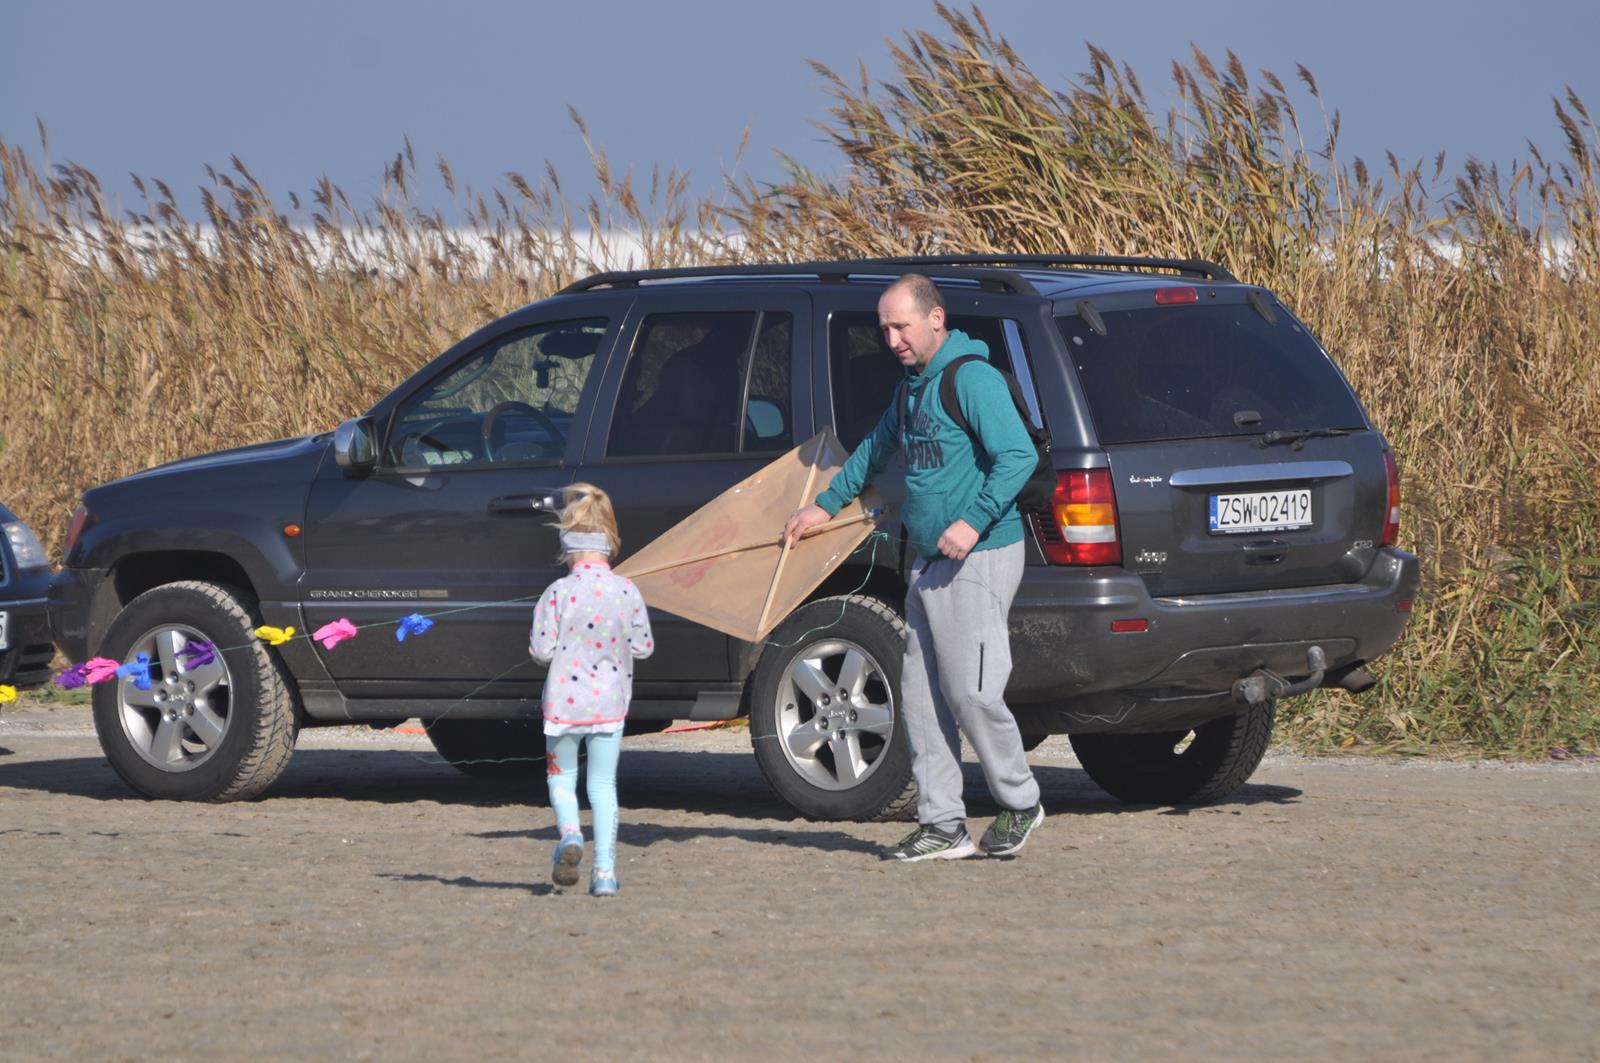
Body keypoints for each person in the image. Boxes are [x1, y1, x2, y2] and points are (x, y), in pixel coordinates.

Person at [783, 274, 1044, 861]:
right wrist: (825, 506)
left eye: (901, 326)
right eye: (885, 330)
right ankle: (943, 824)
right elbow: (875, 449)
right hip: (930, 561)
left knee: (973, 693)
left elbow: (1019, 455)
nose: (892, 339)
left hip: (980, 554)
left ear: (936, 319)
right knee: (922, 698)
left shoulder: (970, 378)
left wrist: (972, 521)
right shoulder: (911, 388)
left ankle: (1021, 802)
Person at [530, 483, 654, 895]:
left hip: (563, 709)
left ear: (567, 544)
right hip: (609, 706)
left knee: (561, 779)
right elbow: (644, 646)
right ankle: (604, 874)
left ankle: (570, 834)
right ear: (611, 541)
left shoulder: (556, 593)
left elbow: (542, 651)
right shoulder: (627, 591)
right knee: (603, 786)